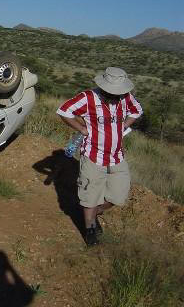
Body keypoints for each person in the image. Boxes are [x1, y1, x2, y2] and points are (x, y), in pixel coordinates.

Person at [57, 67, 143, 246]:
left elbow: (136, 111)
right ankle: (89, 228)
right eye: (112, 93)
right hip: (93, 155)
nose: (115, 96)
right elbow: (64, 111)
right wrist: (81, 129)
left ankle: (94, 212)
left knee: (118, 195)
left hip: (117, 156)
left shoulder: (126, 98)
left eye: (118, 93)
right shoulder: (88, 98)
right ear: (103, 87)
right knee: (90, 194)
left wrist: (123, 127)